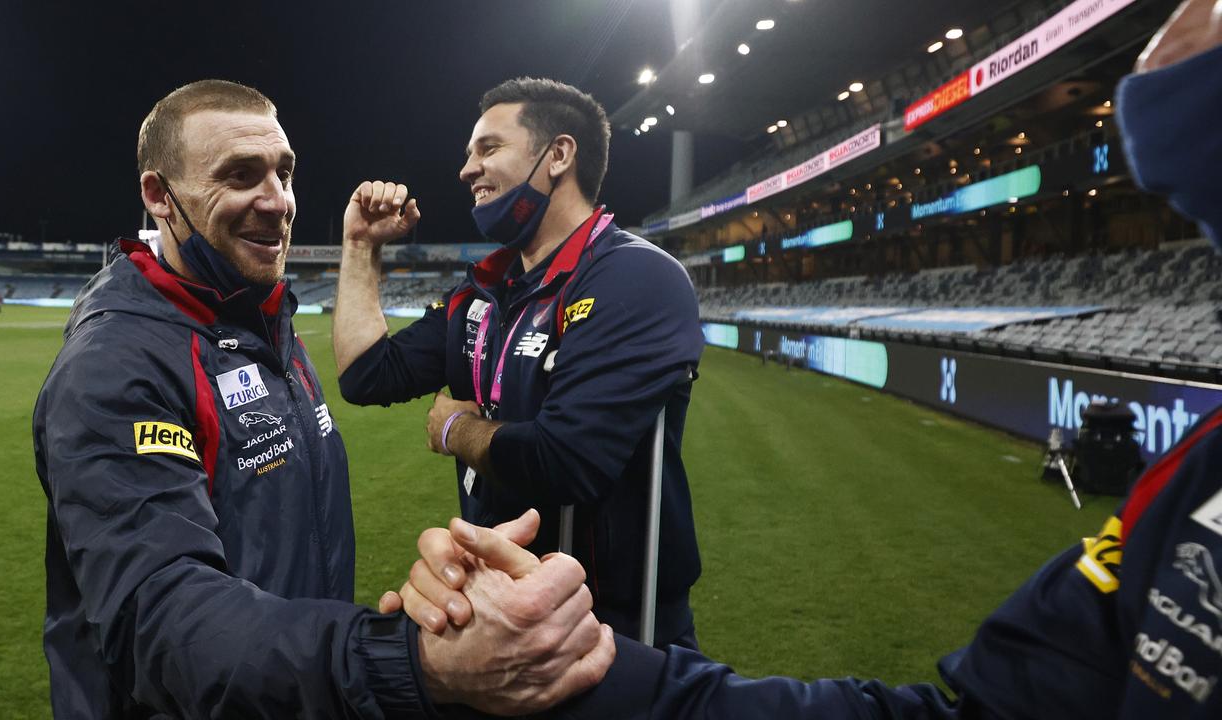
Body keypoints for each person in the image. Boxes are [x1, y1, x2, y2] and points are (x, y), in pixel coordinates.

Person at [391, 2, 1222, 716]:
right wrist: (620, 686)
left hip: (624, 611)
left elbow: (569, 457)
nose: (1167, 37)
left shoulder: (638, 281)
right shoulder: (1193, 478)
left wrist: (612, 677)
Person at [32, 79, 613, 718]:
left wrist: (359, 244)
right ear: (158, 197)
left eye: (284, 173)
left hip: (292, 695)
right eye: (240, 174)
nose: (278, 201)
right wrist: (402, 661)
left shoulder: (260, 323)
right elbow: (164, 621)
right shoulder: (114, 366)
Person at [334, 78, 705, 649]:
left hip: (611, 628)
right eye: (468, 154)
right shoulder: (483, 290)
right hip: (499, 609)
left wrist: (456, 429)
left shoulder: (636, 277)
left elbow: (567, 459)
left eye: (488, 149)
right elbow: (366, 375)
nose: (466, 170)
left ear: (558, 155)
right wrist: (361, 247)